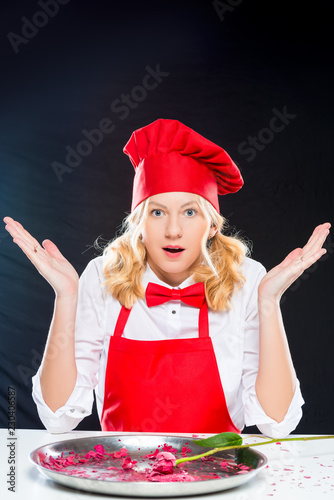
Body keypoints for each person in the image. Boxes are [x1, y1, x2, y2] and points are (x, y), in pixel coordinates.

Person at [3, 119, 330, 438]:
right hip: (125, 477)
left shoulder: (248, 279)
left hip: (219, 477)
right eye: (157, 212)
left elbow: (277, 423)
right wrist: (67, 297)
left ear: (212, 225)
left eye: (190, 212)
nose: (173, 230)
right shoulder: (102, 277)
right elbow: (57, 419)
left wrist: (269, 302)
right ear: (139, 224)